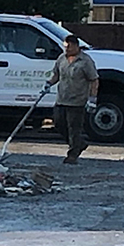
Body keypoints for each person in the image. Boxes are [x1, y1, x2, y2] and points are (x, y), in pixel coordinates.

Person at [46, 34, 99, 165]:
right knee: (59, 124)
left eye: (69, 47)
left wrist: (92, 99)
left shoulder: (85, 61)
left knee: (74, 128)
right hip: (62, 98)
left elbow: (94, 80)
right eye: (65, 47)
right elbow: (56, 75)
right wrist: (48, 83)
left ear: (76, 46)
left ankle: (73, 154)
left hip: (77, 101)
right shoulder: (61, 59)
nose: (67, 50)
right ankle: (79, 144)